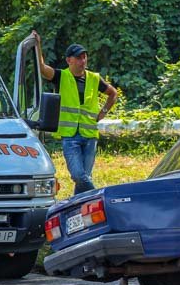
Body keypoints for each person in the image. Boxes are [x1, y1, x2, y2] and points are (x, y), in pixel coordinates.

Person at [33, 32, 117, 195]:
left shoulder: (94, 78)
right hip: (70, 136)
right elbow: (42, 69)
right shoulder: (61, 76)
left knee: (85, 178)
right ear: (69, 60)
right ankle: (98, 198)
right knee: (79, 175)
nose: (83, 61)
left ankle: (78, 210)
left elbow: (113, 94)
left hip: (90, 134)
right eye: (79, 58)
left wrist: (103, 112)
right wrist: (37, 45)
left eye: (84, 57)